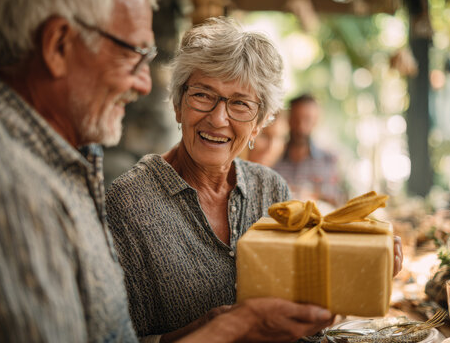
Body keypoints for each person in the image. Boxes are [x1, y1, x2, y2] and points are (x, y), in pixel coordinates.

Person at [0, 0, 333, 342]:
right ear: (58, 44)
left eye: (239, 103)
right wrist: (236, 326)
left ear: (259, 120)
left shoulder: (63, 164)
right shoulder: (9, 186)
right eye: (131, 52)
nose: (143, 84)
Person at [106, 18, 403, 341]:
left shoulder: (270, 188)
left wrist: (363, 275)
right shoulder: (129, 202)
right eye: (203, 95)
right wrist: (214, 327)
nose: (218, 119)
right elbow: (114, 337)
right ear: (178, 105)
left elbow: (303, 308)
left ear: (259, 123)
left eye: (240, 104)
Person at [273, 94, 346, 206]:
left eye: (307, 120)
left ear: (316, 121)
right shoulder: (273, 156)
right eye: (296, 119)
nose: (301, 127)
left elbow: (339, 201)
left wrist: (313, 196)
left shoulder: (329, 161)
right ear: (289, 119)